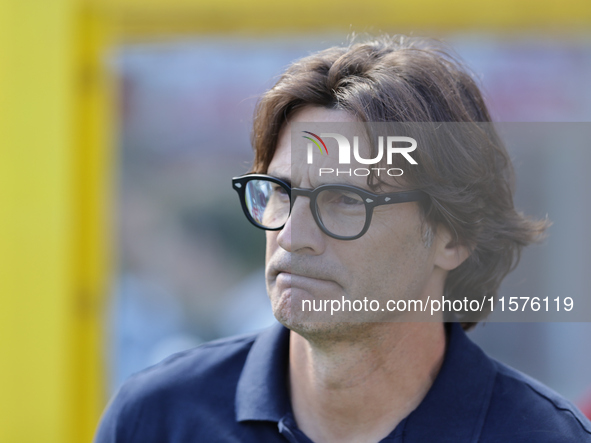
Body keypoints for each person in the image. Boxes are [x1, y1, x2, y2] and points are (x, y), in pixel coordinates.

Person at [95, 35, 591, 442]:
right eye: (281, 193)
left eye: (345, 200)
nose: (292, 237)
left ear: (453, 236)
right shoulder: (157, 420)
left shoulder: (541, 436)